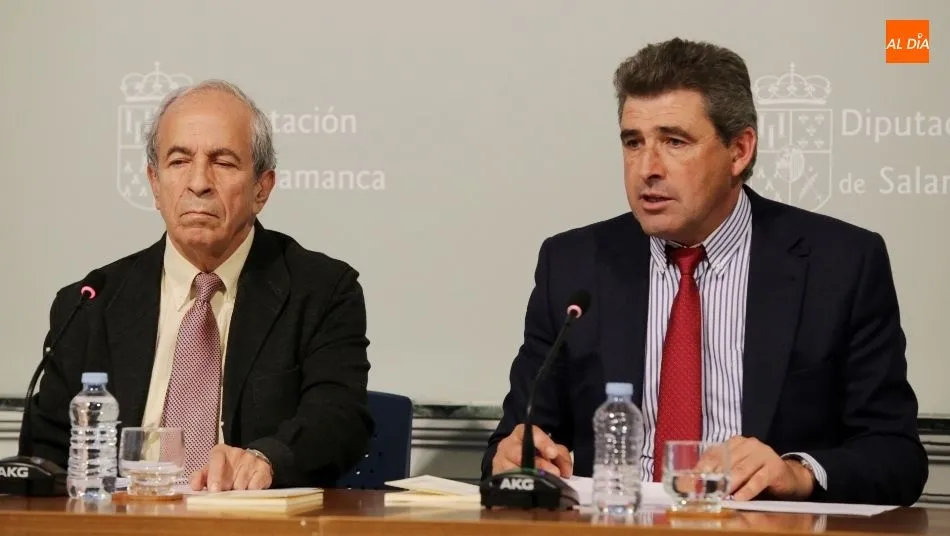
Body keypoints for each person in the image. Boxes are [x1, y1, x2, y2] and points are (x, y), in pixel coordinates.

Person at [482, 37, 928, 506]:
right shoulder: (573, 264)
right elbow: (510, 444)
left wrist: (797, 472)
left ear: (739, 150)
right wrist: (516, 457)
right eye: (634, 143)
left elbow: (895, 456)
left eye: (675, 142)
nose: (647, 168)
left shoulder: (840, 264)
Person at [20, 79, 373, 491]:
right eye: (179, 161)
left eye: (223, 162)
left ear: (262, 188)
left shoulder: (321, 291)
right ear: (155, 184)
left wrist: (265, 459)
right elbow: (45, 453)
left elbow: (339, 417)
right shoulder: (90, 303)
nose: (199, 182)